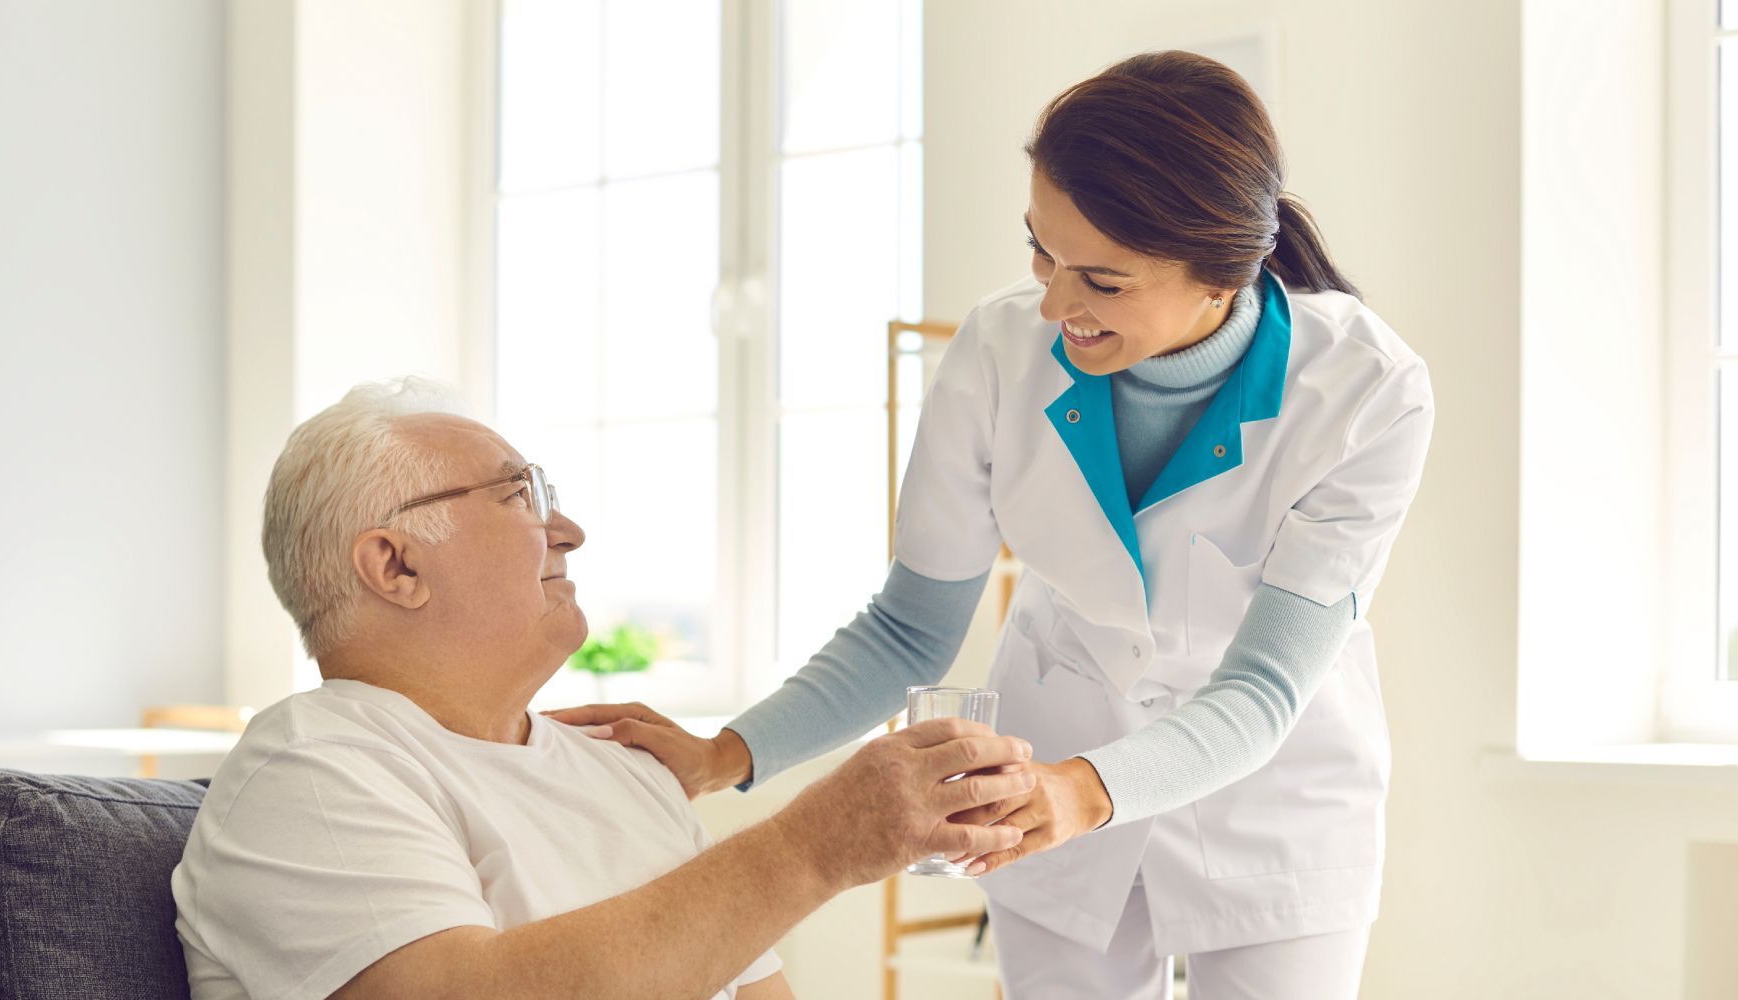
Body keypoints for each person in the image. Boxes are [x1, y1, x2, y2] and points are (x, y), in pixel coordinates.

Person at [551, 50, 1435, 1000]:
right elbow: (910, 627)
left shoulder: (1364, 391)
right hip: (1044, 765)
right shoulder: (1001, 349)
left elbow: (1260, 689)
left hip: (1272, 800)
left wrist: (1080, 790)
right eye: (1041, 253)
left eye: (1102, 280)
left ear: (1225, 272)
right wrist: (724, 755)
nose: (1056, 306)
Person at [169, 378, 1036, 1000]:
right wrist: (816, 843)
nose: (569, 532)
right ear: (395, 564)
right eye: (520, 495)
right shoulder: (314, 768)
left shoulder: (619, 769)